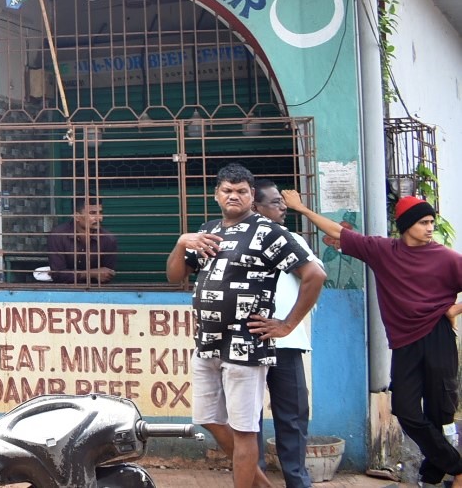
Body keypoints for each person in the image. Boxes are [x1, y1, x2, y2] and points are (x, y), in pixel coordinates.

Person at [167, 163, 325, 488]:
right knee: (208, 419)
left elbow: (314, 275)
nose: (234, 196)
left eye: (241, 191)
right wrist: (183, 242)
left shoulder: (268, 232)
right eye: (227, 190)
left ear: (252, 196)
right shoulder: (209, 232)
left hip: (246, 344)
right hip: (207, 342)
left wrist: (286, 325)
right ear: (216, 195)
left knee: (244, 429)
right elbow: (175, 276)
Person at [293, 191, 462, 488]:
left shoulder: (446, 257)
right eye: (423, 222)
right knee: (406, 410)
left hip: (437, 335)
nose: (430, 227)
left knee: (440, 410)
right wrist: (302, 209)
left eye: (432, 222)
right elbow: (337, 232)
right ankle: (457, 467)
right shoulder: (383, 250)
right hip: (404, 342)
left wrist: (454, 308)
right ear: (406, 224)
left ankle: (433, 477)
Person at [252, 180, 326, 488]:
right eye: (275, 202)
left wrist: (286, 324)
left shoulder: (292, 239)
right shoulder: (239, 238)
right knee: (247, 421)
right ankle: (254, 479)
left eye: (283, 202)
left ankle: (297, 481)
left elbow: (314, 278)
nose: (283, 207)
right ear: (256, 208)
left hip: (286, 343)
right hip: (249, 343)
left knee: (293, 417)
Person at [47, 198, 117, 283]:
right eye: (92, 213)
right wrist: (91, 273)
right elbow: (57, 274)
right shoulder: (58, 235)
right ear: (77, 216)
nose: (99, 218)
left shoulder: (108, 239)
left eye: (100, 212)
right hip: (64, 291)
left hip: (95, 291)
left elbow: (106, 275)